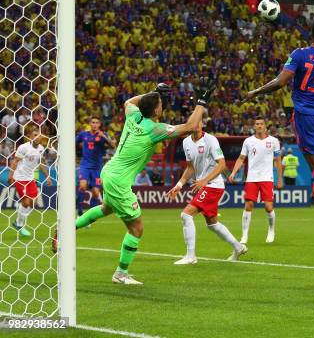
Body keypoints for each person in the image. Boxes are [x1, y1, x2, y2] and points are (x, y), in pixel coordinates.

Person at [56, 81, 214, 285]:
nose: (162, 105)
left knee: (106, 208)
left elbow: (129, 102)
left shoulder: (133, 115)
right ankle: (121, 273)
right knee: (136, 229)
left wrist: (153, 92)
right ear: (156, 109)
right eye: (160, 102)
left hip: (110, 171)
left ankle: (66, 230)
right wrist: (201, 102)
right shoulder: (155, 129)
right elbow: (191, 126)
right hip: (119, 180)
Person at [243, 22, 314, 239]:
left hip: (305, 115)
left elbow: (280, 82)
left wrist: (255, 92)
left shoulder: (299, 54)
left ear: (311, 34)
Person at [167, 119, 247, 265]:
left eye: (199, 121)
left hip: (213, 185)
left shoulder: (211, 140)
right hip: (204, 186)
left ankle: (190, 256)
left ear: (202, 124)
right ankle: (239, 247)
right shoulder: (186, 143)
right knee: (212, 224)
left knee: (186, 214)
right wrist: (179, 184)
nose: (196, 124)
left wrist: (204, 180)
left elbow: (221, 164)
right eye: (193, 122)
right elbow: (190, 168)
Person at [229, 117, 282, 244]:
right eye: (257, 124)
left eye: (261, 124)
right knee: (248, 205)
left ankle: (271, 230)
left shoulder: (274, 141)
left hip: (267, 178)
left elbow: (278, 161)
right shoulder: (248, 141)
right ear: (254, 126)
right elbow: (241, 158)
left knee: (268, 207)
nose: (259, 126)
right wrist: (233, 172)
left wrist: (280, 179)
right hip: (252, 177)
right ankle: (244, 235)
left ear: (265, 126)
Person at [8, 129, 52, 237]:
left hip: (30, 178)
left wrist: (48, 177)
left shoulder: (41, 149)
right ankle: (19, 224)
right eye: (35, 135)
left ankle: (18, 222)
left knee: (33, 203)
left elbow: (40, 164)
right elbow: (15, 161)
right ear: (30, 137)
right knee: (26, 202)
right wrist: (11, 175)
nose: (37, 137)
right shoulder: (23, 147)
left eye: (39, 135)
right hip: (20, 177)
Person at [75, 117, 116, 216]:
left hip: (97, 167)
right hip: (85, 165)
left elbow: (113, 146)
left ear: (99, 124)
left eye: (97, 123)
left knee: (96, 193)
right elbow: (73, 143)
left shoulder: (103, 135)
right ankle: (79, 210)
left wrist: (104, 137)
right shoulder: (83, 134)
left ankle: (89, 215)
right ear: (90, 123)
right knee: (82, 186)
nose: (94, 124)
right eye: (93, 122)